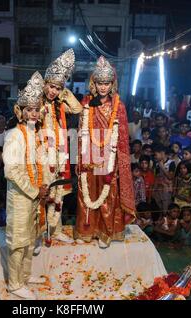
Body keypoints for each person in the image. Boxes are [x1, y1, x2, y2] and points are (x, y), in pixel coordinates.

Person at [75, 56, 135, 248]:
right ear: (94, 83)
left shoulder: (119, 106)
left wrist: (117, 161)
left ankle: (106, 231)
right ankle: (87, 230)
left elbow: (123, 138)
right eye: (100, 83)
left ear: (112, 84)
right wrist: (80, 157)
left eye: (106, 83)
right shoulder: (86, 103)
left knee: (107, 193)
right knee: (87, 191)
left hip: (109, 155)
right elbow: (80, 133)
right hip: (90, 154)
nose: (103, 87)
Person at [3, 71, 49, 299]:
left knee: (31, 238)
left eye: (35, 109)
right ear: (20, 112)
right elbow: (11, 170)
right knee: (19, 242)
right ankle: (14, 283)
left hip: (34, 196)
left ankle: (26, 276)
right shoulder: (14, 135)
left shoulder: (36, 134)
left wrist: (44, 186)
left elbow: (39, 165)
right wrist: (34, 190)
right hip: (20, 197)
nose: (32, 113)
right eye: (28, 109)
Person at [41, 48, 82, 244]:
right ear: (44, 84)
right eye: (51, 86)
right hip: (41, 156)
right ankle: (41, 232)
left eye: (57, 88)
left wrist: (64, 92)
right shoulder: (36, 104)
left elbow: (77, 108)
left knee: (58, 194)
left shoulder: (59, 104)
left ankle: (55, 231)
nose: (53, 91)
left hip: (59, 154)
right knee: (43, 194)